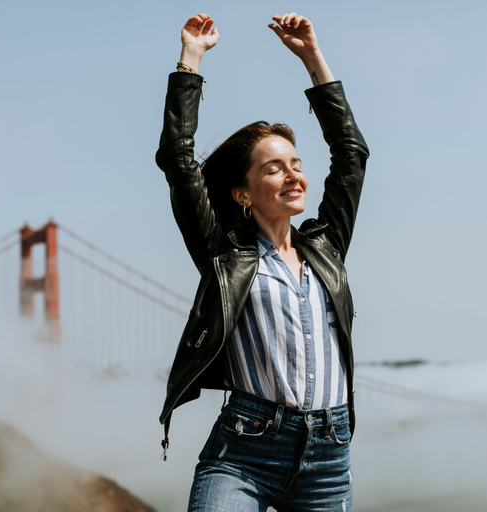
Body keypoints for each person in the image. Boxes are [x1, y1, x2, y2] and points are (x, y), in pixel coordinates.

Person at [156, 12, 369, 512]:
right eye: (274, 168)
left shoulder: (326, 248)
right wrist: (191, 59)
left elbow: (351, 153)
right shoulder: (223, 254)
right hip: (244, 451)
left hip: (329, 455)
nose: (294, 175)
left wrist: (312, 57)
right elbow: (178, 161)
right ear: (242, 193)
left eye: (297, 164)